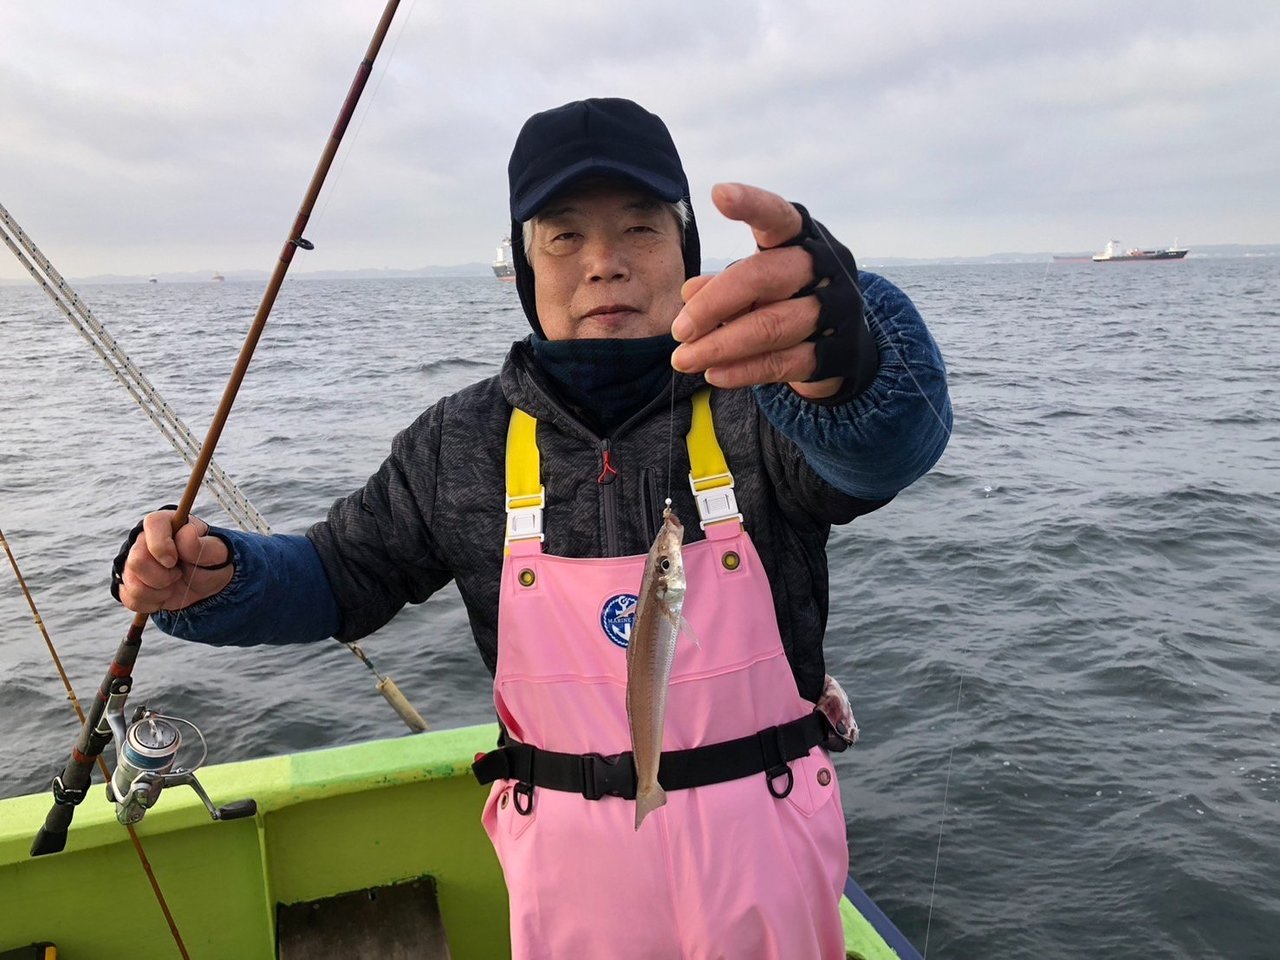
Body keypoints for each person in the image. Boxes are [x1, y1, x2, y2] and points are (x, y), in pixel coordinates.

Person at [114, 98, 951, 959]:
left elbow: (884, 449)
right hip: (567, 875)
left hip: (767, 859)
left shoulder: (766, 402)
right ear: (523, 268)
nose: (604, 264)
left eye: (640, 228)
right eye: (563, 237)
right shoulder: (459, 441)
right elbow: (340, 575)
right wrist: (221, 579)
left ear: (688, 251)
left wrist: (857, 357)